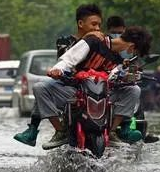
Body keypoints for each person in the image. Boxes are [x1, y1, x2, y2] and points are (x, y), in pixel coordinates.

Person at [33, 26, 152, 149]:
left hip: (105, 96)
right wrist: (57, 70)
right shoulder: (94, 40)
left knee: (134, 90)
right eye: (135, 52)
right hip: (76, 93)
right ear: (132, 47)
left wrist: (126, 77)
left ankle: (112, 131)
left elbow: (115, 76)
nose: (132, 55)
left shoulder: (119, 60)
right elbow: (69, 59)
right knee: (40, 87)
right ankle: (60, 131)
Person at [15, 4, 105, 146]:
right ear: (80, 24)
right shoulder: (65, 42)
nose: (97, 29)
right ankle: (59, 130)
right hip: (71, 88)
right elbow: (66, 64)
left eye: (99, 25)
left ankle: (118, 130)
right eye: (94, 24)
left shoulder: (102, 42)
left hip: (97, 91)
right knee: (40, 87)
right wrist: (87, 39)